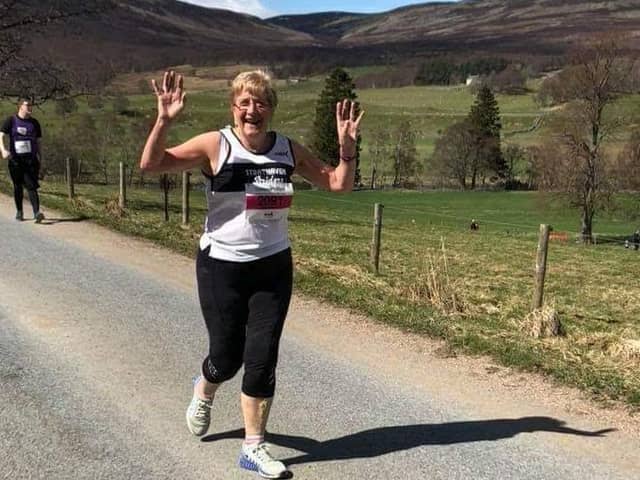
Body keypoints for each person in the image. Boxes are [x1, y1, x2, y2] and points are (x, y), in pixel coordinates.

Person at [140, 70, 363, 479]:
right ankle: (204, 388)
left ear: (271, 109)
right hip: (221, 266)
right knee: (226, 358)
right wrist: (164, 120)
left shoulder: (287, 150)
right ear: (233, 107)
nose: (251, 110)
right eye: (244, 102)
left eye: (260, 102)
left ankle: (253, 447)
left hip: (273, 267)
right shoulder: (216, 144)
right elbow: (151, 164)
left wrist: (347, 151)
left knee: (261, 357)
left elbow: (337, 185)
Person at [0, 98, 45, 222]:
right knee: (18, 186)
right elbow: (1, 135)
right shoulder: (11, 121)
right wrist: (3, 150)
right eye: (28, 105)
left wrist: (41, 158)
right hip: (16, 160)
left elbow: (39, 142)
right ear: (20, 106)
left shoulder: (35, 123)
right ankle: (19, 211)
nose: (30, 107)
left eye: (31, 105)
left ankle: (37, 213)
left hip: (31, 160)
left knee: (32, 185)